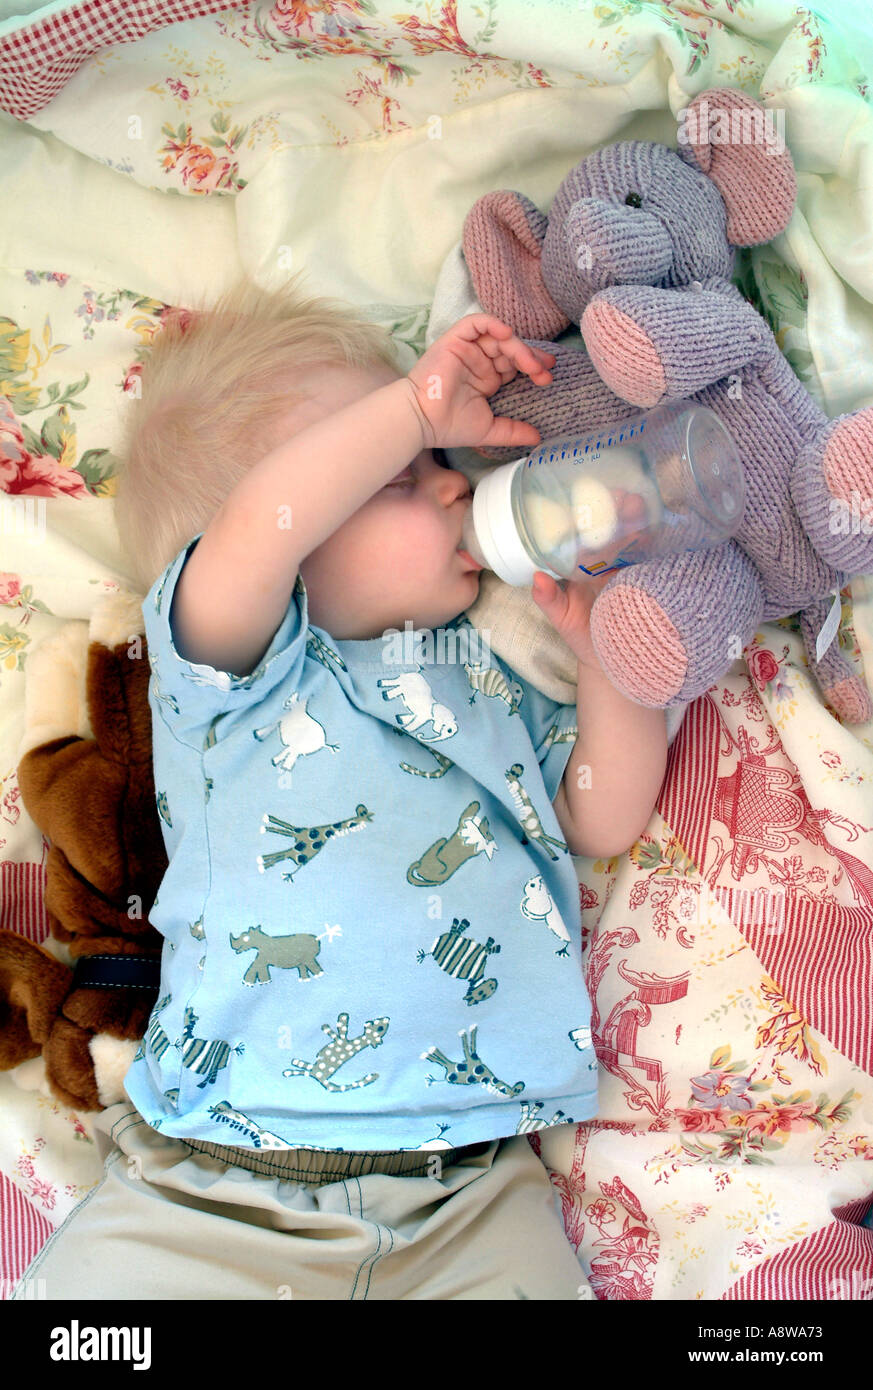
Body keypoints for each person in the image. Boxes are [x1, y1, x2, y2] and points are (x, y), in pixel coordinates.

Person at [12, 275, 667, 1301]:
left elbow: (598, 811)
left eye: (437, 463)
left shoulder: (487, 674)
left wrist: (618, 664)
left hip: (470, 1192)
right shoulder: (230, 678)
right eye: (405, 478)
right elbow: (257, 532)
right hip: (209, 1186)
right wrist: (409, 403)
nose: (455, 482)